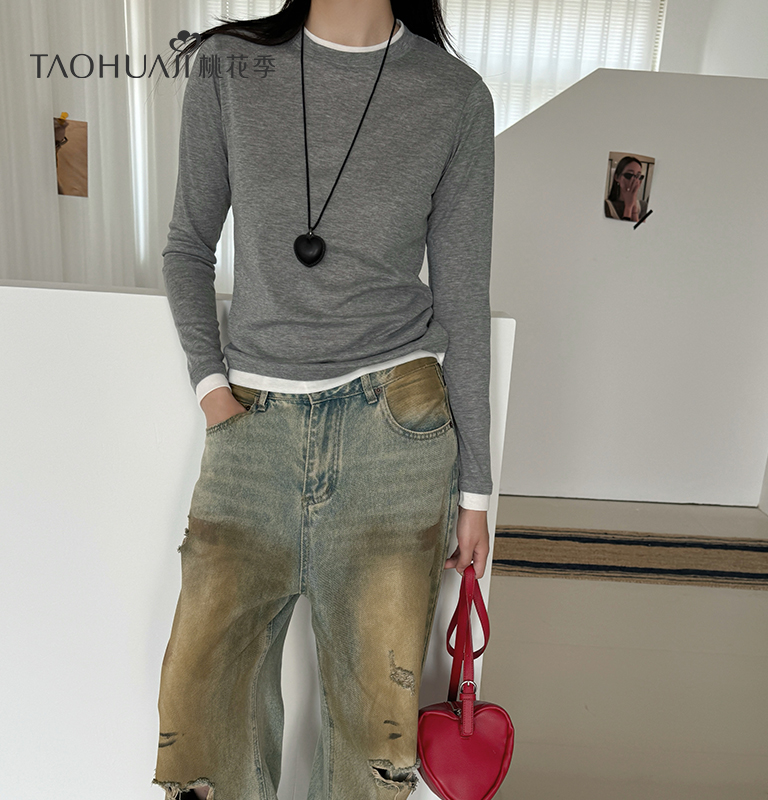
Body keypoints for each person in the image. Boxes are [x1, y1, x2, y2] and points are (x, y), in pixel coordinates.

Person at [154, 1, 495, 798]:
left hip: (395, 435)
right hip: (252, 429)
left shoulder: (454, 96)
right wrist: (213, 392)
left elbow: (464, 300)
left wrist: (476, 491)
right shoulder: (228, 66)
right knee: (202, 720)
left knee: (375, 734)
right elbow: (187, 246)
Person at [605, 155, 648, 222]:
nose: (634, 180)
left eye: (638, 176)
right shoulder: (606, 206)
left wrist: (634, 207)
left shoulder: (643, 206)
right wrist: (628, 207)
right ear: (617, 177)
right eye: (629, 175)